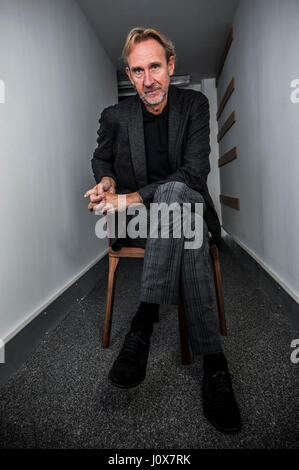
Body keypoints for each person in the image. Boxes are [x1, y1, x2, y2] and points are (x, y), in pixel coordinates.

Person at [84, 27, 241, 434]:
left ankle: (144, 320)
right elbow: (100, 160)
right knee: (187, 230)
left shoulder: (194, 106)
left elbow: (193, 173)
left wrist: (130, 197)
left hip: (175, 208)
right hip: (142, 225)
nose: (147, 80)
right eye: (137, 71)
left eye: (155, 67)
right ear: (130, 74)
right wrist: (106, 185)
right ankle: (215, 366)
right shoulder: (115, 117)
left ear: (171, 65)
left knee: (176, 193)